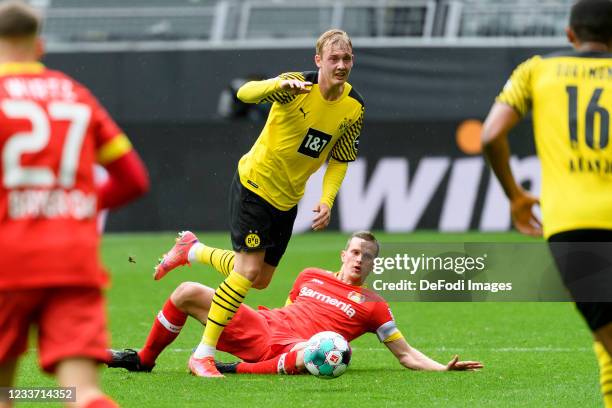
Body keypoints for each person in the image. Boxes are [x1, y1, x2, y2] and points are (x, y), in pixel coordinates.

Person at [153, 29, 365, 377]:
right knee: (247, 272)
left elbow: (340, 158)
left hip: (288, 199)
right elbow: (244, 93)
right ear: (319, 61)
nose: (340, 65)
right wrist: (275, 85)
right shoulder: (295, 86)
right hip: (256, 184)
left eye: (346, 59)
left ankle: (192, 250)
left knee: (261, 278)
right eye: (334, 59)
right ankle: (202, 354)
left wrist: (326, 200)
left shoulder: (353, 107)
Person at [0, 1, 149, 407]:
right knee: (82, 392)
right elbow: (133, 180)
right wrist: (76, 208)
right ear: (39, 46)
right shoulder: (76, 95)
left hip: (7, 261)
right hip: (71, 258)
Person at [109, 232, 482, 375]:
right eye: (353, 251)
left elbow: (405, 354)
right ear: (343, 253)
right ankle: (143, 359)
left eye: (365, 256)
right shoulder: (310, 275)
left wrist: (441, 370)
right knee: (186, 292)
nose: (358, 259)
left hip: (296, 349)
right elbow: (289, 310)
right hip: (263, 327)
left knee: (322, 350)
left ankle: (232, 368)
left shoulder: (374, 306)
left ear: (373, 265)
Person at [481, 0, 612, 405]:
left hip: (572, 225)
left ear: (570, 35)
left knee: (605, 336)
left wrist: (515, 196)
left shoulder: (537, 70)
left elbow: (489, 136)